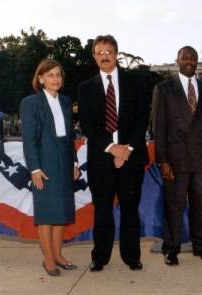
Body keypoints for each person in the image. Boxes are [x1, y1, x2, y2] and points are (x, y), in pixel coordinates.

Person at [78, 35, 150, 272]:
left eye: (108, 51)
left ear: (116, 54)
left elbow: (142, 119)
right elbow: (87, 125)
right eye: (99, 52)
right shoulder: (86, 88)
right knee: (103, 210)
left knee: (130, 209)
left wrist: (127, 148)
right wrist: (111, 148)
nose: (104, 56)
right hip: (101, 159)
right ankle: (100, 257)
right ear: (94, 56)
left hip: (132, 157)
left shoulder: (134, 82)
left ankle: (132, 257)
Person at [152, 46, 202, 266]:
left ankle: (201, 247)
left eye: (193, 58)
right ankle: (170, 249)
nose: (189, 61)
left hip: (200, 158)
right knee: (174, 206)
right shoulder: (164, 89)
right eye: (185, 57)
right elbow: (158, 129)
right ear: (177, 61)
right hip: (175, 158)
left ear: (197, 62)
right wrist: (163, 161)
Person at [20, 59, 80, 277]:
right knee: (46, 214)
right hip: (44, 166)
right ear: (41, 78)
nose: (56, 79)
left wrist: (74, 162)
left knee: (61, 213)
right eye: (50, 75)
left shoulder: (65, 102)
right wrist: (34, 168)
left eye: (58, 75)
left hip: (64, 164)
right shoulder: (30, 103)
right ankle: (48, 259)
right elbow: (29, 139)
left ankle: (58, 255)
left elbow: (69, 137)